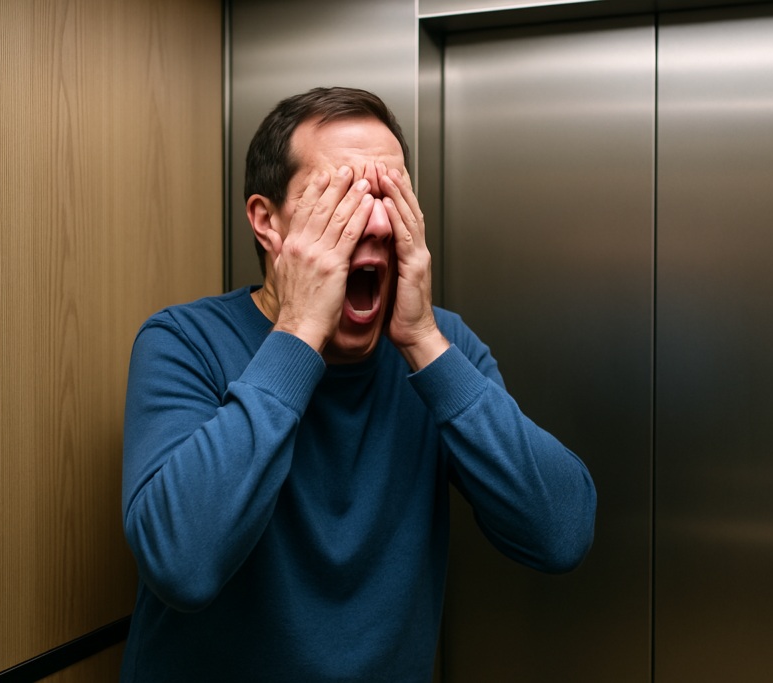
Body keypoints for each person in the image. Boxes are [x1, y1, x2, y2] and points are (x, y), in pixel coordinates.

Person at [120, 87, 596, 682]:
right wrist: (297, 334)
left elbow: (561, 533)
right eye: (340, 198)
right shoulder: (184, 341)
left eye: (389, 197)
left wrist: (423, 341)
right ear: (267, 221)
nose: (373, 222)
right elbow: (181, 564)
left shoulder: (442, 348)